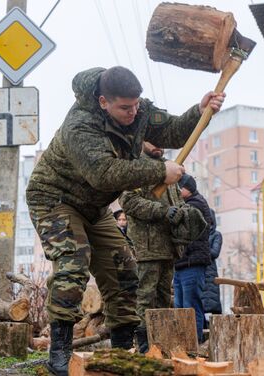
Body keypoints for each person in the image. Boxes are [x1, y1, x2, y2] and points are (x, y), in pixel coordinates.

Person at [26, 66, 225, 375]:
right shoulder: (81, 124)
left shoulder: (138, 109)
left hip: (94, 208)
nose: (134, 112)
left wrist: (198, 112)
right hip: (55, 199)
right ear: (104, 101)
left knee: (124, 271)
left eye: (136, 104)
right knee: (73, 264)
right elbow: (104, 173)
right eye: (125, 107)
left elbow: (171, 129)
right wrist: (161, 172)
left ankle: (120, 354)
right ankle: (60, 354)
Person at [118, 141, 185, 354]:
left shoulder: (170, 168)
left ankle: (163, 345)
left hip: (168, 245)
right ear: (142, 141)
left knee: (165, 296)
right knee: (145, 296)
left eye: (161, 141)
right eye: (152, 140)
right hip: (146, 246)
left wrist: (185, 214)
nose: (158, 145)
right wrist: (162, 211)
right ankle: (145, 346)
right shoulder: (137, 167)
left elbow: (176, 202)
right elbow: (129, 201)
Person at [174, 174, 212, 343]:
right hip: (183, 263)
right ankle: (184, 342)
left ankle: (193, 343)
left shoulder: (194, 205)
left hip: (192, 263)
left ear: (186, 189)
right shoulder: (189, 203)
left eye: (177, 188)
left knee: (190, 306)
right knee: (180, 306)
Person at [202, 208, 223, 328]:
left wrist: (199, 249)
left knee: (212, 304)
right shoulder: (197, 233)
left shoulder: (216, 235)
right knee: (199, 305)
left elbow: (215, 252)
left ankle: (216, 329)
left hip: (210, 273)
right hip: (198, 271)